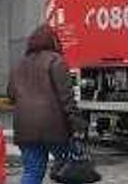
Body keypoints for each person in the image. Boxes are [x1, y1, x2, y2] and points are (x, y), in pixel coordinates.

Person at [7, 25, 85, 184]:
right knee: (70, 170)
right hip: (54, 128)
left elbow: (11, 95)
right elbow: (67, 98)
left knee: (32, 171)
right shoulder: (56, 61)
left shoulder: (19, 64)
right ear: (53, 41)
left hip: (25, 128)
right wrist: (78, 125)